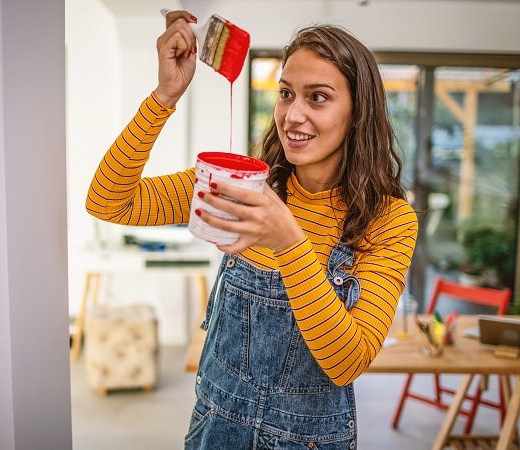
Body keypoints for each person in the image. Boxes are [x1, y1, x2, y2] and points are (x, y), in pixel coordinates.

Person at [86, 10, 418, 449]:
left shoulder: (388, 219)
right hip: (216, 428)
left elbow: (347, 361)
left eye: (317, 97)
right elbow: (109, 201)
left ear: (358, 113)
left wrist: (288, 240)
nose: (292, 115)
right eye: (285, 93)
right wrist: (164, 96)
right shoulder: (241, 184)